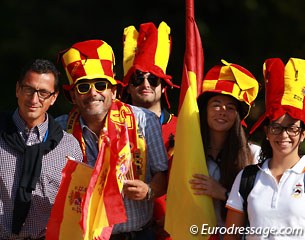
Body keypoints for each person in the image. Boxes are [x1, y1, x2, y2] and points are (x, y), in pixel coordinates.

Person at [56, 39, 168, 239]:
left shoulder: (144, 120)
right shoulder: (59, 129)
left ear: (114, 91)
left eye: (100, 85)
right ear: (73, 96)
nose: (93, 93)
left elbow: (164, 174)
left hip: (138, 235)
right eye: (83, 87)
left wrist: (149, 190)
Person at [0, 59, 83, 239]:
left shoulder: (69, 147)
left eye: (43, 93)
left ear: (53, 98)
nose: (34, 99)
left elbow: (74, 206)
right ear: (17, 90)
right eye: (29, 89)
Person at [225, 57, 305, 240]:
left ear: (302, 134)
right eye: (276, 127)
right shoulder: (248, 177)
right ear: (267, 132)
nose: (284, 135)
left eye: (292, 128)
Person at [120, 21, 178, 240]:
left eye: (153, 79)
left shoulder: (184, 128)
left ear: (163, 86)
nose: (145, 83)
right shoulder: (112, 126)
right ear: (127, 85)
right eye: (138, 78)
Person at [188, 60, 260, 236]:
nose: (222, 111)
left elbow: (260, 208)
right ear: (205, 110)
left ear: (237, 116)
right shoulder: (189, 151)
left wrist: (222, 193)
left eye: (230, 107)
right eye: (216, 104)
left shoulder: (254, 154)